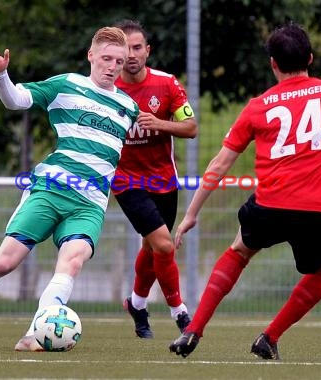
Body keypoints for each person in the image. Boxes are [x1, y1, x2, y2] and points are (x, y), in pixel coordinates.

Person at [0, 27, 139, 351]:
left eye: (119, 61)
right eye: (106, 58)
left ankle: (36, 333)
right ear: (91, 56)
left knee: (72, 260)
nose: (113, 66)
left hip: (89, 203)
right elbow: (17, 100)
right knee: (4, 263)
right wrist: (1, 76)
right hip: (50, 189)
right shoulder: (66, 86)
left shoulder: (128, 107)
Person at [168, 23, 321, 359]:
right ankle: (269, 337)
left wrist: (191, 214)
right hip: (320, 213)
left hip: (270, 206)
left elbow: (219, 165)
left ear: (273, 64)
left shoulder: (258, 106)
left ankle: (192, 331)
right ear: (310, 58)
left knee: (239, 250)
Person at [111, 19, 198, 338]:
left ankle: (136, 303)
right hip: (126, 181)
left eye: (136, 47)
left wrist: (160, 124)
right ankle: (181, 313)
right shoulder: (105, 88)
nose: (131, 54)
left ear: (147, 51)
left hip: (164, 180)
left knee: (152, 247)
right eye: (124, 48)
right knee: (163, 245)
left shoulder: (167, 84)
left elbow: (191, 128)